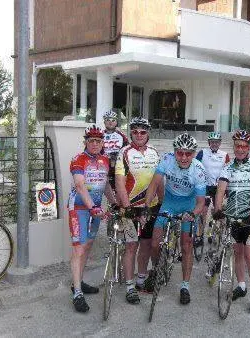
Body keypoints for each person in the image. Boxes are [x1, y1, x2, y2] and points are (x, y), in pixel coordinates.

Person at [144, 133, 206, 305]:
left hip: (188, 206)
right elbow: (154, 184)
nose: (184, 157)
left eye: (188, 153)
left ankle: (185, 286)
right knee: (155, 243)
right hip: (169, 204)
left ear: (194, 154)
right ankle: (156, 269)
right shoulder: (167, 160)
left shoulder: (199, 170)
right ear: (174, 152)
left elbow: (201, 202)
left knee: (186, 245)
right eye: (180, 153)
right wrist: (147, 206)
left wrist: (193, 214)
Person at [213, 130, 250, 313]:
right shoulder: (227, 167)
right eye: (237, 146)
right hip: (232, 218)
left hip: (249, 219)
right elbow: (220, 190)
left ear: (249, 147)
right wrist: (218, 210)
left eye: (244, 146)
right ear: (234, 147)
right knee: (237, 253)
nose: (240, 149)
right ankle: (241, 286)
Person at [68, 125, 117, 313]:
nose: (95, 144)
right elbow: (80, 186)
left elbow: (105, 187)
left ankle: (78, 282)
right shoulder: (78, 159)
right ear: (86, 142)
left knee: (88, 246)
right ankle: (77, 293)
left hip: (94, 209)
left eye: (98, 141)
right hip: (79, 208)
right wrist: (94, 207)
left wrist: (114, 203)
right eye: (91, 141)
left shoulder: (105, 160)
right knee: (79, 248)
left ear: (102, 143)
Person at [115, 117, 162, 304]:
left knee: (148, 244)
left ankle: (141, 279)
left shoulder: (154, 153)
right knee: (131, 245)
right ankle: (129, 286)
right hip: (131, 208)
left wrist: (163, 203)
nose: (139, 135)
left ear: (148, 133)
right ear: (131, 133)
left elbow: (159, 181)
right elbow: (119, 183)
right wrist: (127, 208)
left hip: (151, 206)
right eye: (135, 131)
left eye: (143, 132)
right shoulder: (124, 153)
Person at [195, 131, 230, 246]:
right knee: (202, 212)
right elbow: (195, 167)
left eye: (217, 142)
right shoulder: (202, 153)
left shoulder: (224, 155)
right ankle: (199, 236)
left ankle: (215, 233)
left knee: (218, 212)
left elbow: (228, 171)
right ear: (209, 143)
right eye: (212, 142)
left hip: (218, 188)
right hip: (205, 186)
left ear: (220, 143)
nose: (214, 144)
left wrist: (227, 188)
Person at [102, 109, 129, 191]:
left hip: (117, 166)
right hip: (103, 165)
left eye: (113, 120)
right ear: (104, 122)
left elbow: (127, 149)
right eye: (108, 120)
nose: (110, 122)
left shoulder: (121, 135)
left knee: (117, 189)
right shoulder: (100, 134)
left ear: (116, 122)